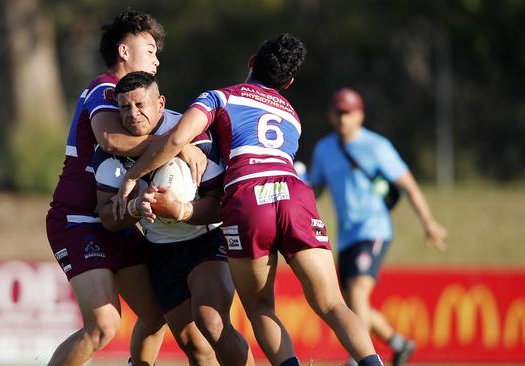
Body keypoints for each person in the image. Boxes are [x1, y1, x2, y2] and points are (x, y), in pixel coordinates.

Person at [114, 34, 384, 366]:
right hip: (294, 192)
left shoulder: (219, 98)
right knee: (332, 303)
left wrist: (132, 175)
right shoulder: (292, 116)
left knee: (260, 307)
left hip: (248, 196)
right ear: (288, 81)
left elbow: (176, 139)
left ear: (251, 61)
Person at [45, 9, 207, 366]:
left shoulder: (134, 98)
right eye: (149, 49)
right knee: (104, 325)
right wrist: (178, 144)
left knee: (155, 314)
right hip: (78, 220)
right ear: (124, 51)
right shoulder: (104, 88)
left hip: (117, 220)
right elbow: (112, 140)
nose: (156, 59)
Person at [93, 71, 254, 365]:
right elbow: (108, 217)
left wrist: (181, 210)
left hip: (205, 240)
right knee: (194, 347)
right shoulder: (109, 150)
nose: (132, 114)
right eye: (124, 107)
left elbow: (220, 205)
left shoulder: (193, 133)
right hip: (160, 251)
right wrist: (134, 209)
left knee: (212, 323)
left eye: (140, 104)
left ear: (160, 103)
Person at [308, 87, 448, 366]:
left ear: (360, 115)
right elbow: (315, 188)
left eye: (348, 113)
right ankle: (398, 343)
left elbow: (407, 184)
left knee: (359, 291)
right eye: (338, 113)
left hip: (373, 229)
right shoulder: (324, 149)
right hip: (346, 235)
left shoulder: (377, 146)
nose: (343, 119)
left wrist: (429, 223)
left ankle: (359, 357)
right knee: (349, 304)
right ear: (330, 115)